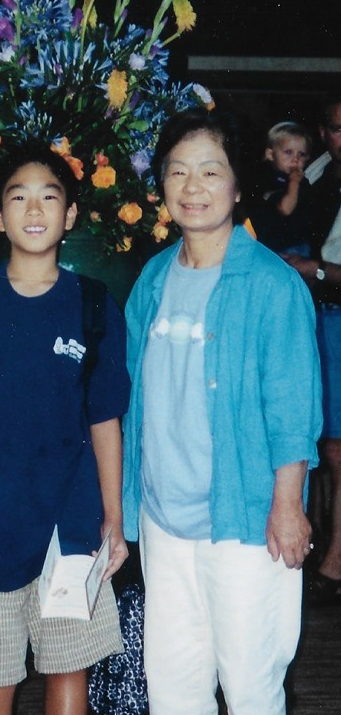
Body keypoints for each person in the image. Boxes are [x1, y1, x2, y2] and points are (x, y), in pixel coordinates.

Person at [0, 142, 129, 715]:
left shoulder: (93, 304)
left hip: (72, 522)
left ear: (72, 215)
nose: (34, 210)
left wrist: (114, 514)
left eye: (49, 197)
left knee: (67, 671)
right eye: (19, 197)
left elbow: (105, 416)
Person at [121, 108, 322, 715]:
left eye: (210, 171)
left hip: (244, 517)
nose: (192, 187)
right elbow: (132, 401)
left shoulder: (271, 285)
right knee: (175, 689)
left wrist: (289, 507)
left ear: (237, 186)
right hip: (164, 521)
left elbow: (292, 407)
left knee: (251, 686)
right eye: (177, 172)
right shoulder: (152, 279)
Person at [283, 94, 341, 601]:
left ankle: (334, 564)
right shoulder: (317, 173)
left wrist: (315, 271)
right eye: (339, 128)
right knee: (320, 443)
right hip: (318, 318)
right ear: (324, 132)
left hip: (335, 312)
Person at [249, 120, 312, 255]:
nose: (295, 159)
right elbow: (285, 209)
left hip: (300, 245)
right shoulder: (270, 180)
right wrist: (294, 183)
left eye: (301, 154)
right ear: (270, 154)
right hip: (276, 248)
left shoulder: (302, 182)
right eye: (288, 152)